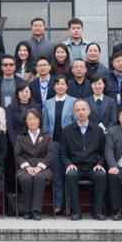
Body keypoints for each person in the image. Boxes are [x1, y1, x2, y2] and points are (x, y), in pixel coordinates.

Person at [60, 100, 107, 220]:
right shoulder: (66, 131)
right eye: (78, 110)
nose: (81, 112)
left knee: (101, 175)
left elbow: (103, 152)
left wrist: (100, 164)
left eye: (83, 109)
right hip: (76, 167)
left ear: (89, 111)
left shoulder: (98, 130)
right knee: (71, 175)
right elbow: (62, 154)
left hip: (93, 167)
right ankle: (76, 211)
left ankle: (98, 211)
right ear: (74, 113)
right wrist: (69, 164)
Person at [42, 76, 76, 215]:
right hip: (53, 143)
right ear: (54, 87)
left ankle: (69, 205)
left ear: (67, 86)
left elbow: (76, 123)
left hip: (70, 144)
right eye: (57, 84)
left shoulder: (74, 102)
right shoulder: (48, 103)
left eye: (63, 84)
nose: (60, 86)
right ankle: (58, 205)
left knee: (69, 174)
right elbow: (45, 123)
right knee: (56, 175)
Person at [14, 109, 53, 221]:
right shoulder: (21, 137)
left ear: (39, 120)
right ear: (25, 122)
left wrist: (39, 167)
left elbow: (50, 153)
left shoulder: (46, 136)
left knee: (39, 177)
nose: (32, 121)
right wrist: (27, 167)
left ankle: (36, 211)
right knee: (25, 178)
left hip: (43, 168)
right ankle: (27, 210)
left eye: (35, 119)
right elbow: (17, 154)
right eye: (29, 119)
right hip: (25, 168)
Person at [7, 83, 35, 149]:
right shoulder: (11, 107)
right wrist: (16, 145)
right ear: (17, 93)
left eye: (27, 91)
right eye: (21, 92)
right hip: (16, 142)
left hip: (32, 143)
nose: (24, 94)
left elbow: (38, 126)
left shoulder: (36, 107)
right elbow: (10, 127)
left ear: (31, 93)